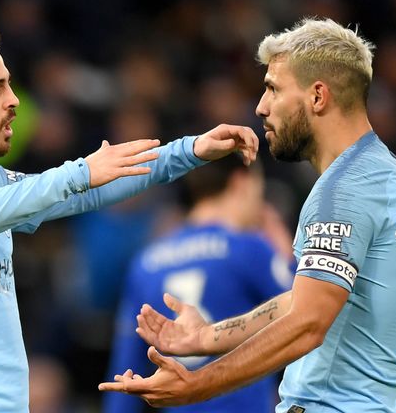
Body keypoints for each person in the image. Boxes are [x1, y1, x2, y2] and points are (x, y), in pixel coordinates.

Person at [0, 23, 259, 413]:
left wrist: (190, 151)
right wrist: (76, 174)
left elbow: (87, 189)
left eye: (9, 84)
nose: (14, 100)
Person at [99, 17, 396, 413]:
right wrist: (208, 337)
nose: (261, 107)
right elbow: (307, 300)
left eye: (274, 89)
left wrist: (197, 385)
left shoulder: (342, 192)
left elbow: (308, 324)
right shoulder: (389, 175)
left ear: (317, 96)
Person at [103, 155, 294, 413]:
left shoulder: (146, 264)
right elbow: (309, 312)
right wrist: (288, 258)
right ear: (241, 183)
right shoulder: (249, 248)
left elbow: (125, 371)